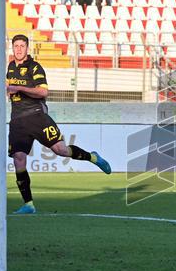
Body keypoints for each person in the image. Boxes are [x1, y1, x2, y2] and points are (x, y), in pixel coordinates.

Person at [7, 34, 111, 214]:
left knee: (61, 150)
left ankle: (93, 157)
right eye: (16, 46)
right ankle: (29, 204)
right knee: (19, 159)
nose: (19, 49)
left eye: (22, 46)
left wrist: (19, 88)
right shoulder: (10, 67)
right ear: (12, 48)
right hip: (17, 120)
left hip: (37, 116)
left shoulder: (34, 67)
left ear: (27, 48)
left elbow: (43, 92)